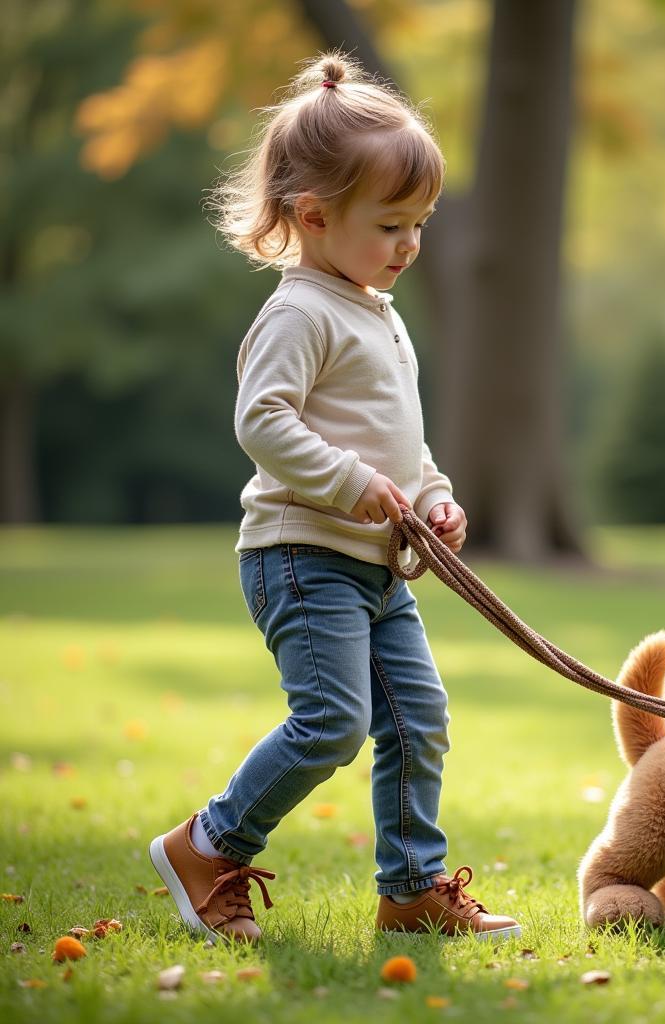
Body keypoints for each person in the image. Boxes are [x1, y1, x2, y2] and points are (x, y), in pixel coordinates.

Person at [148, 51, 520, 944]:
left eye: (420, 223)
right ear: (313, 217)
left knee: (418, 719)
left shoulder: (377, 312)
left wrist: (433, 498)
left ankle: (411, 889)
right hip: (301, 556)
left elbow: (397, 444)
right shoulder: (300, 312)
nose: (410, 245)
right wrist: (351, 485)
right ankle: (206, 846)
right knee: (333, 722)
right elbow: (262, 420)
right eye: (392, 224)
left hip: (377, 566)